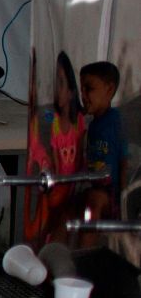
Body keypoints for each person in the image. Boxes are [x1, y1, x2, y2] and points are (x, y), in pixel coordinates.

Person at [41, 52, 86, 244]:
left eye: (61, 84)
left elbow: (82, 155)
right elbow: (55, 160)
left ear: (71, 91)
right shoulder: (56, 125)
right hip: (60, 184)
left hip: (75, 182)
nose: (57, 90)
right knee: (55, 206)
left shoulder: (79, 122)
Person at [80, 61, 128, 222]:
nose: (83, 96)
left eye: (89, 89)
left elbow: (124, 162)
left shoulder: (115, 122)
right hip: (95, 188)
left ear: (109, 90)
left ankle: (86, 246)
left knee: (93, 205)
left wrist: (123, 200)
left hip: (111, 195)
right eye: (82, 90)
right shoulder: (92, 125)